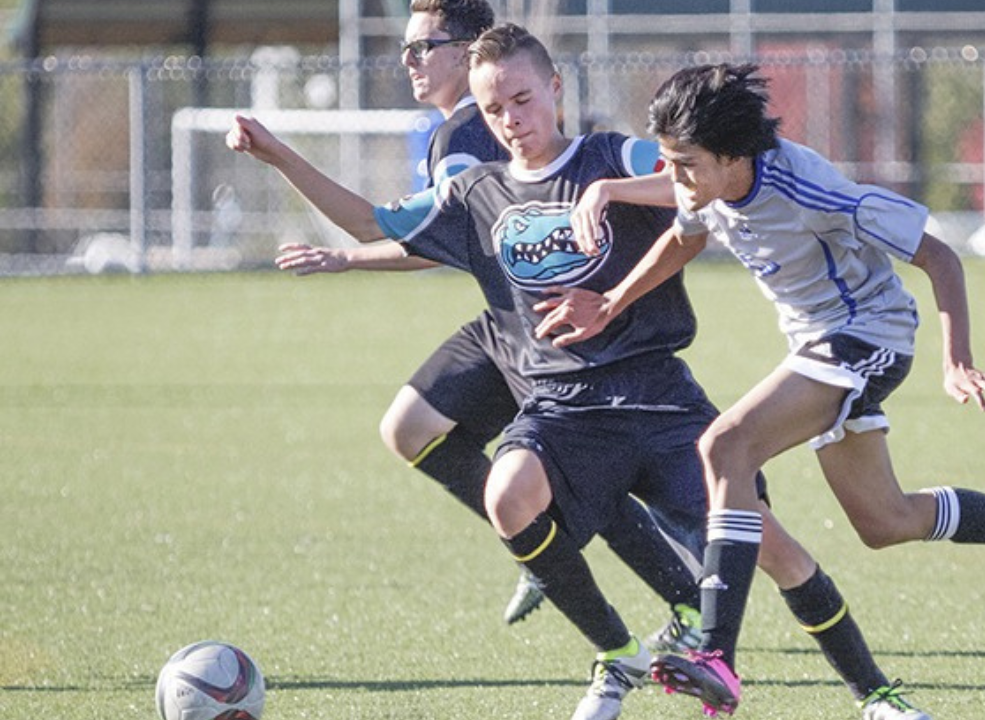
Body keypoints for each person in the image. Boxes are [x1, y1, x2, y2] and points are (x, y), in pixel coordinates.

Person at [538, 63, 985, 717]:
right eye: (669, 164)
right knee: (885, 520)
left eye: (683, 165)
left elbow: (940, 256)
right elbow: (683, 234)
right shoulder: (708, 185)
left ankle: (717, 654)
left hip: (869, 338)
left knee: (726, 446)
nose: (675, 180)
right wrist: (611, 298)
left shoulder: (811, 188)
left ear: (734, 155)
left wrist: (956, 361)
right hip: (817, 348)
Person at [225, 0, 697, 630]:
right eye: (405, 49)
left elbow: (413, 231)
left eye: (425, 46)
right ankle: (538, 537)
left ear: (471, 50)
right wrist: (343, 251)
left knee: (579, 466)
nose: (410, 60)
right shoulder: (467, 126)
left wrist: (298, 179)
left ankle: (632, 577)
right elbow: (455, 238)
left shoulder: (466, 137)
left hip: (549, 330)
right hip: (508, 318)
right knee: (411, 426)